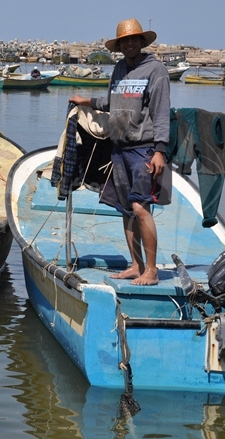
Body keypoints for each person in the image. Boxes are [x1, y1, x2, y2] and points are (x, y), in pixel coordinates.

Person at [69, 18, 170, 285]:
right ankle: (136, 265)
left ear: (141, 41)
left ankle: (151, 270)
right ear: (120, 45)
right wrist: (86, 101)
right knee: (125, 208)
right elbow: (112, 102)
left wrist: (160, 150)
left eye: (134, 39)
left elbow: (161, 113)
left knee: (140, 206)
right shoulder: (119, 69)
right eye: (124, 41)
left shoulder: (155, 70)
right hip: (119, 149)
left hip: (143, 149)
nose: (129, 44)